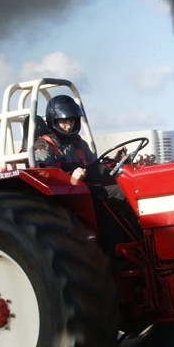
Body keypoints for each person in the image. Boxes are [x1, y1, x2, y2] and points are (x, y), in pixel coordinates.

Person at [33, 94, 139, 252]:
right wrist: (71, 178)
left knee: (127, 188)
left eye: (71, 121)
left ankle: (138, 241)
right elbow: (44, 177)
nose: (68, 126)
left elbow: (93, 166)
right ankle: (116, 249)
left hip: (85, 187)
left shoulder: (78, 143)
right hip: (65, 194)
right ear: (54, 121)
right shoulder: (44, 145)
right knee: (112, 194)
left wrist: (112, 158)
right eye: (64, 122)